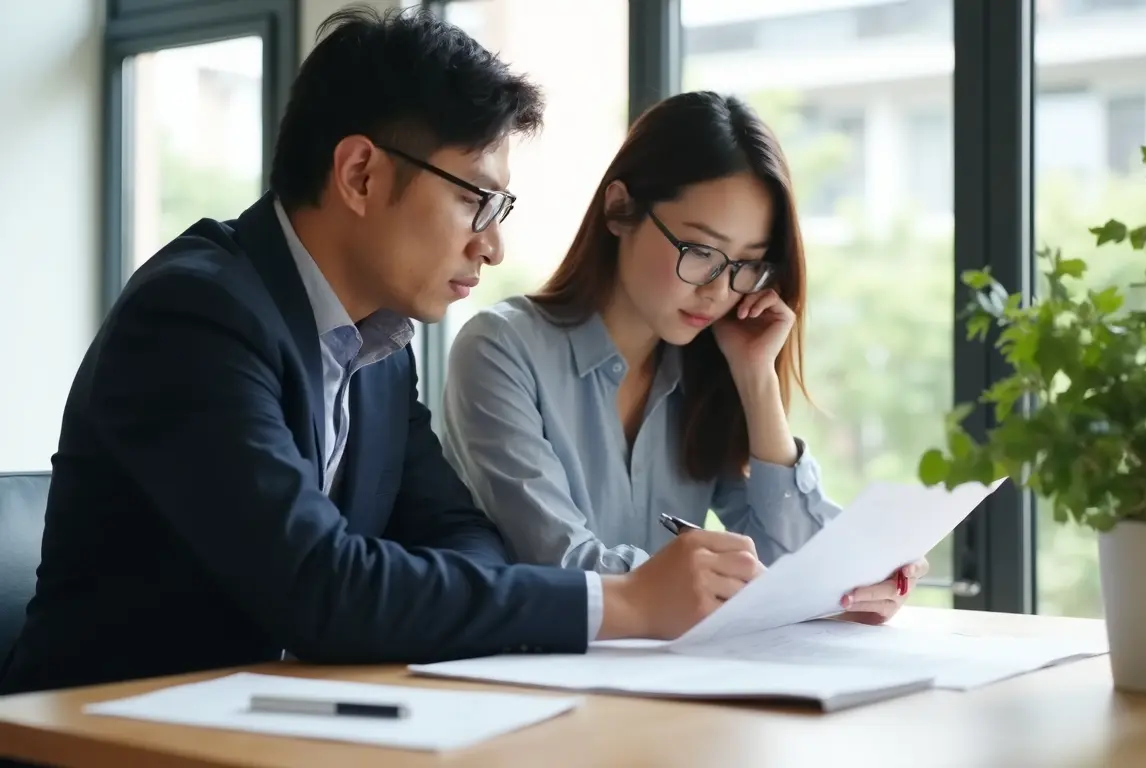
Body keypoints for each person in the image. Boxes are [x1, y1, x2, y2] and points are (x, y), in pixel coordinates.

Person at [0, 10, 763, 697]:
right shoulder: (195, 317)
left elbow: (467, 540)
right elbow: (321, 586)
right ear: (360, 174)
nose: (492, 245)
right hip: (104, 737)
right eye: (475, 200)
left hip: (281, 726)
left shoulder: (380, 348)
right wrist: (620, 602)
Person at [442, 91, 928, 624]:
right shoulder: (500, 350)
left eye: (748, 265)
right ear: (619, 209)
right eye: (700, 252)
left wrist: (756, 377)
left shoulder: (702, 368)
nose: (720, 291)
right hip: (523, 684)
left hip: (674, 688)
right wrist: (751, 587)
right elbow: (563, 565)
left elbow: (807, 564)